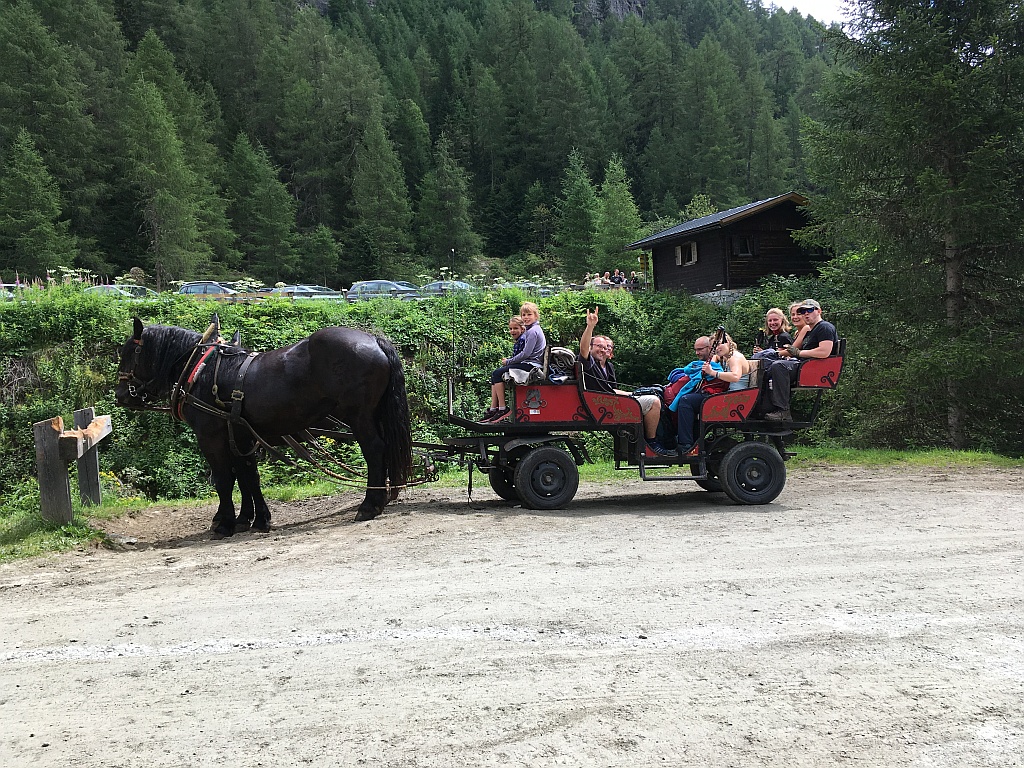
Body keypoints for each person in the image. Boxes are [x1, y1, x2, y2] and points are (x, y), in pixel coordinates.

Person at [579, 307, 667, 455]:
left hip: (610, 402)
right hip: (603, 405)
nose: (603, 350)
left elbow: (611, 389)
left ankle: (658, 440)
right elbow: (583, 349)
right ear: (591, 347)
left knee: (654, 396)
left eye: (605, 347)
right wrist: (590, 326)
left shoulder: (606, 366)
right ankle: (652, 444)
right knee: (654, 402)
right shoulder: (589, 363)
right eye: (599, 346)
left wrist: (632, 393)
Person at [761, 299, 838, 420]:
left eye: (810, 310)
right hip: (806, 365)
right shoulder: (812, 330)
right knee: (766, 367)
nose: (806, 313)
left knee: (779, 366)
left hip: (814, 368)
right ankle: (763, 407)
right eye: (802, 311)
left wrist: (798, 353)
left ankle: (783, 411)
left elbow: (824, 351)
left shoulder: (824, 327)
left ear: (819, 311)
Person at [483, 302, 546, 421]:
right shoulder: (531, 330)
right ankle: (494, 408)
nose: (526, 317)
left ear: (535, 316)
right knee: (496, 374)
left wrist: (509, 362)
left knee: (497, 374)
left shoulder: (533, 331)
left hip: (531, 365)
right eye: (523, 315)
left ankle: (502, 408)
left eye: (529, 314)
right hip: (528, 363)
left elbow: (526, 354)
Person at [671, 336, 726, 455]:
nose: (697, 353)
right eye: (696, 349)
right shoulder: (714, 358)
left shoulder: (727, 358)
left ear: (710, 348)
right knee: (685, 398)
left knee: (686, 400)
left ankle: (685, 444)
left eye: (700, 349)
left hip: (716, 394)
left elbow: (729, 376)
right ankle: (679, 438)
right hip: (708, 391)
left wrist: (711, 372)